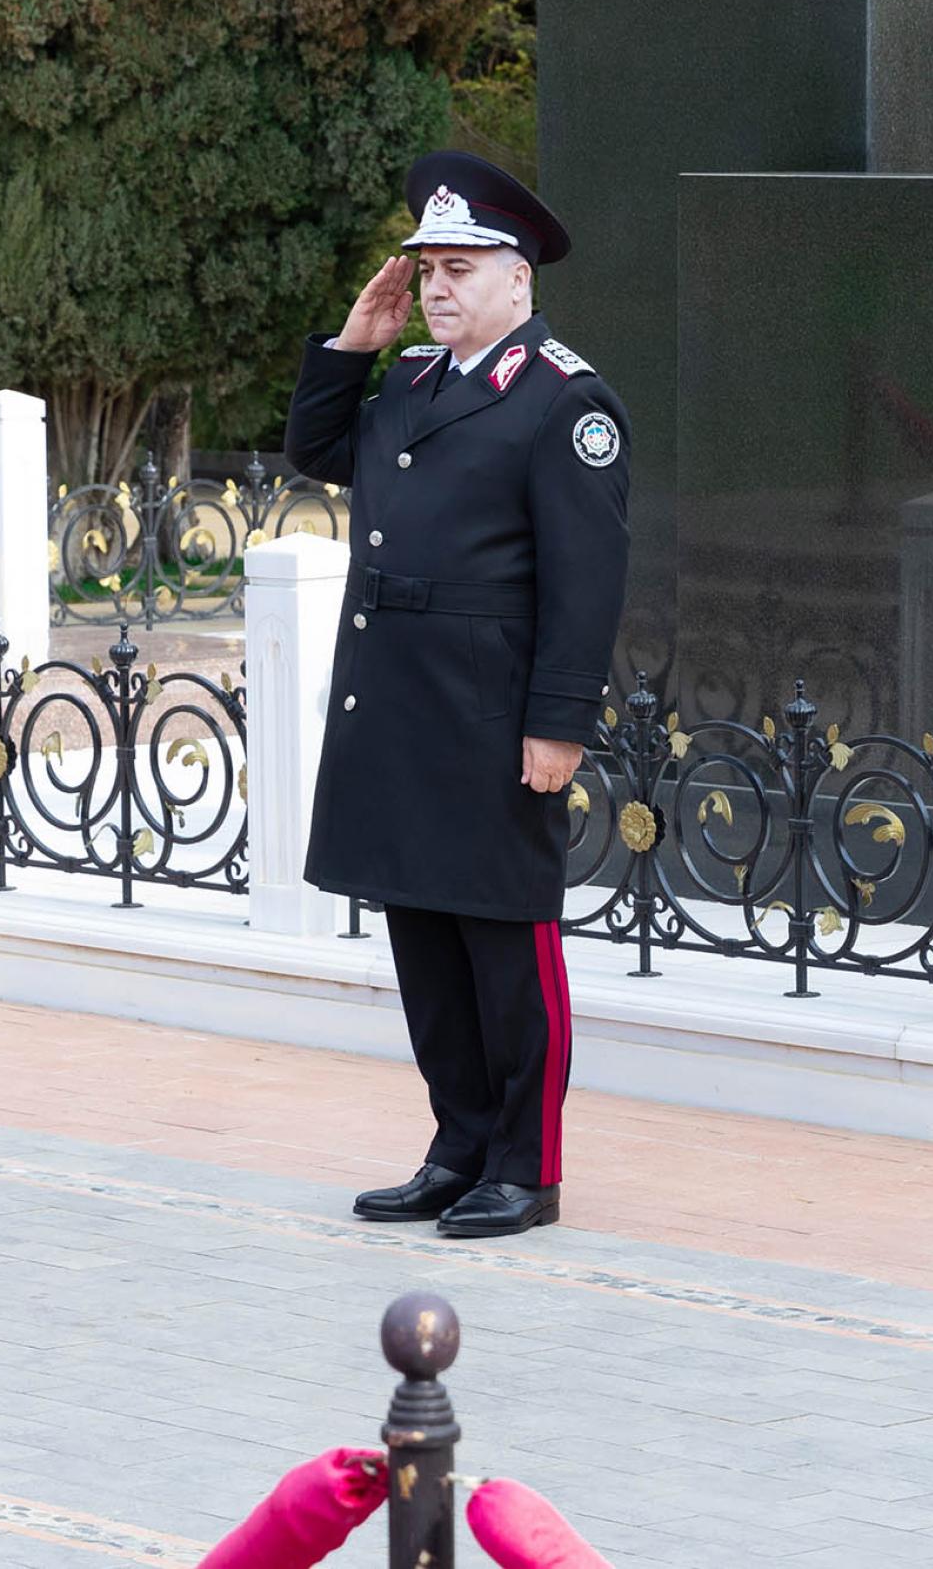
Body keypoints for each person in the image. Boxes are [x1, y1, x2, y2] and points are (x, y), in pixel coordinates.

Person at [283, 150, 630, 1238]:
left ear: (518, 280)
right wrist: (353, 343)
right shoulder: (413, 383)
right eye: (427, 269)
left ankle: (524, 1167)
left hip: (491, 719)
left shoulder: (563, 401)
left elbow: (587, 582)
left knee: (504, 945)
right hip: (403, 712)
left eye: (461, 269)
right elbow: (316, 448)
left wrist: (559, 723)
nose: (437, 289)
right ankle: (459, 1144)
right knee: (425, 944)